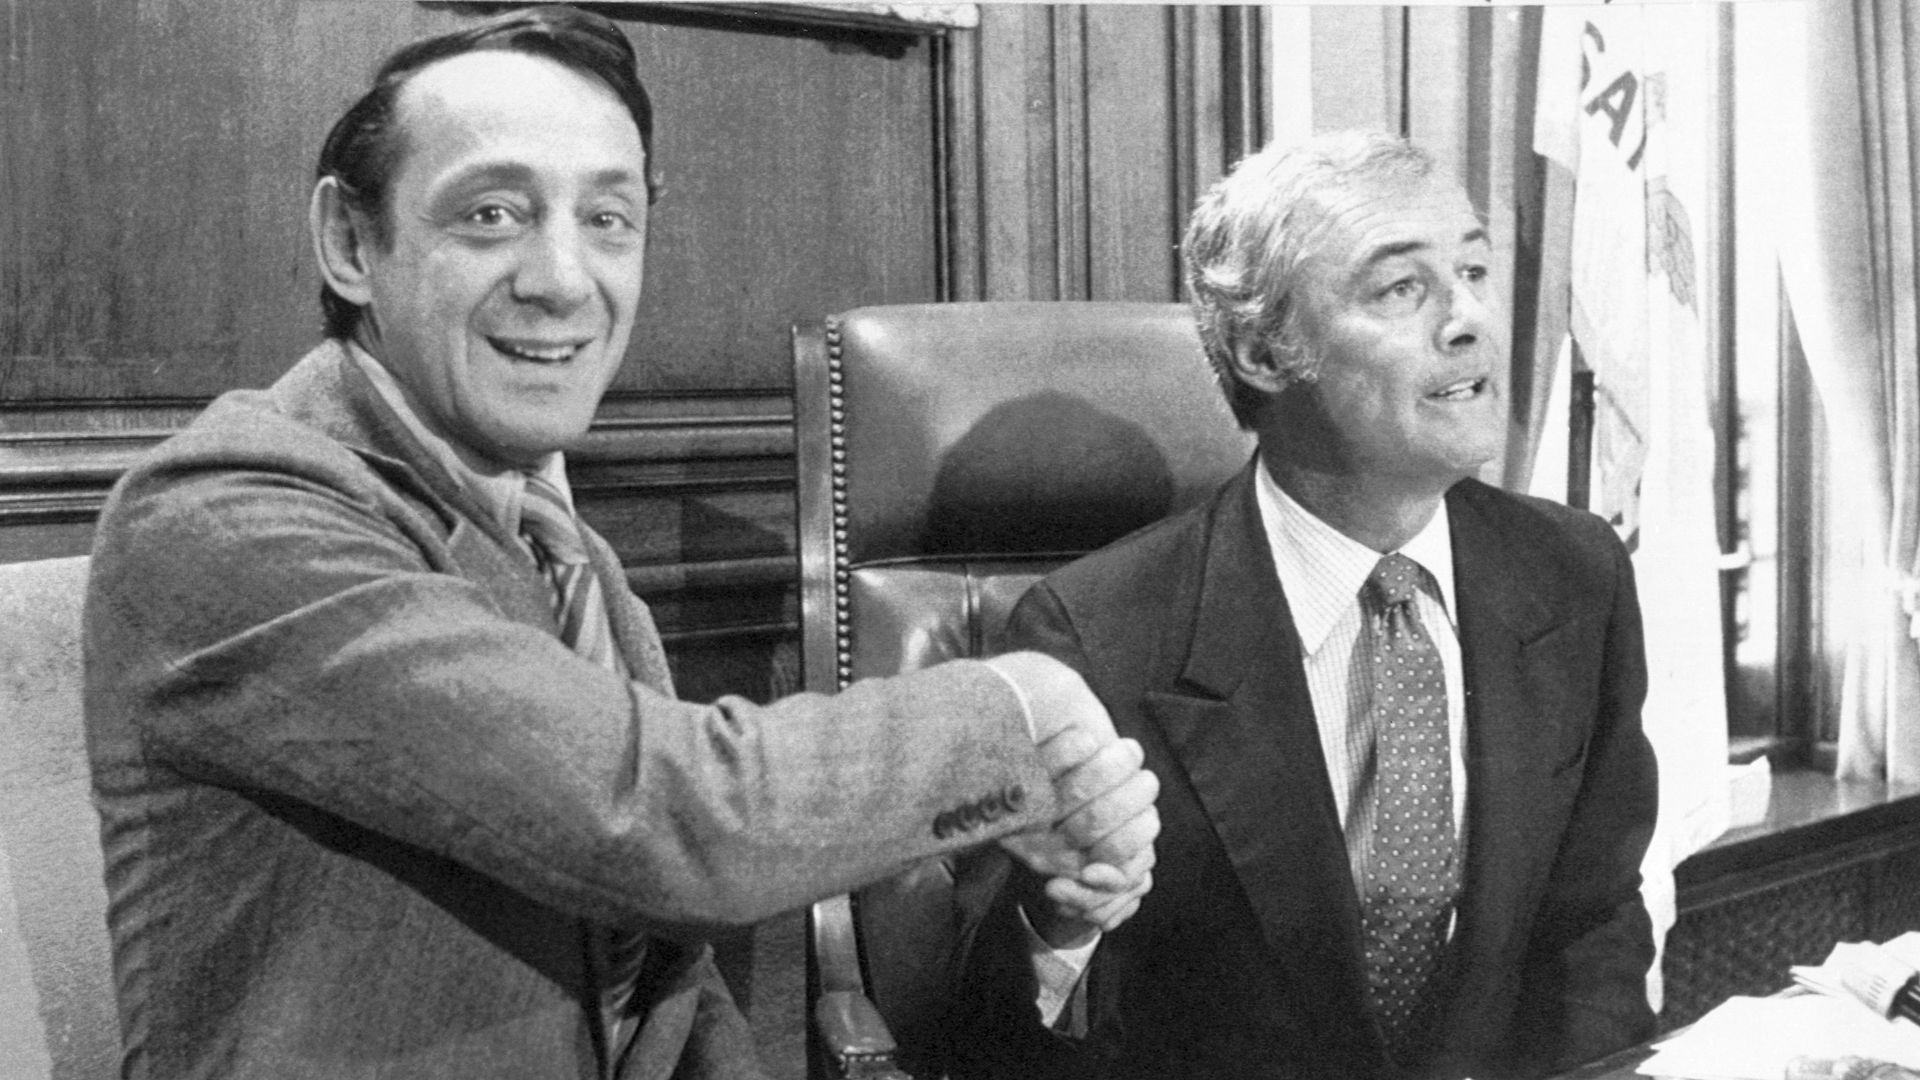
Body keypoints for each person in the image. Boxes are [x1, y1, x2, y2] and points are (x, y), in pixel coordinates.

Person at [80, 9, 1157, 1079]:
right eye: (492, 213)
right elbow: (655, 819)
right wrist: (1016, 711)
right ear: (352, 244)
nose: (562, 278)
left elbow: (669, 1005)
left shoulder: (570, 559)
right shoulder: (226, 513)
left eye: (609, 218)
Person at [950, 129, 1659, 1080]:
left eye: (1475, 270)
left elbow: (1594, 925)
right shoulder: (1091, 637)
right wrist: (1062, 922)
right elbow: (990, 1027)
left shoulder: (1577, 573)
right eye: (1402, 288)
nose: (1472, 321)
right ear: (1263, 352)